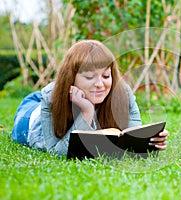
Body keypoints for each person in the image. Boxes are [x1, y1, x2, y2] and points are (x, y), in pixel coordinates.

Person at [11, 39, 168, 157]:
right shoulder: (51, 98)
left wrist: (150, 141)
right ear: (72, 78)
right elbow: (56, 151)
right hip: (31, 118)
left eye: (106, 75)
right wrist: (87, 111)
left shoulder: (122, 94)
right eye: (89, 77)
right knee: (26, 114)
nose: (100, 84)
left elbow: (131, 137)